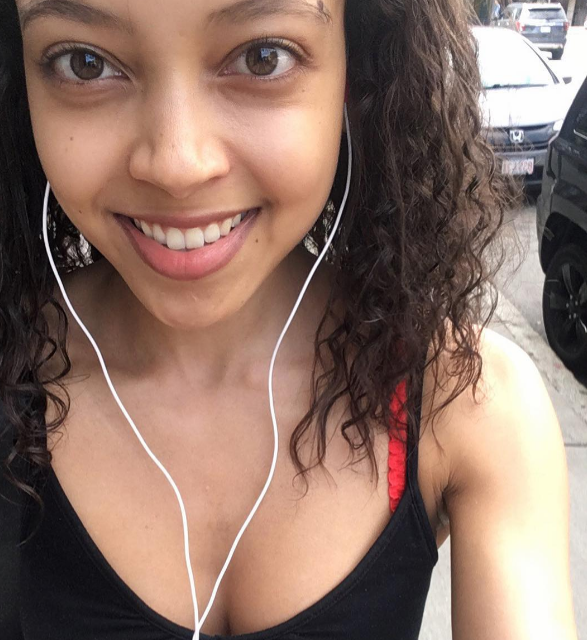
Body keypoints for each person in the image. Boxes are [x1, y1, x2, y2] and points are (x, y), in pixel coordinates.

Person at [0, 0, 578, 638]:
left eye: (262, 57)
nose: (176, 165)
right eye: (84, 64)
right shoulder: (12, 366)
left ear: (358, 71)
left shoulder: (466, 401)